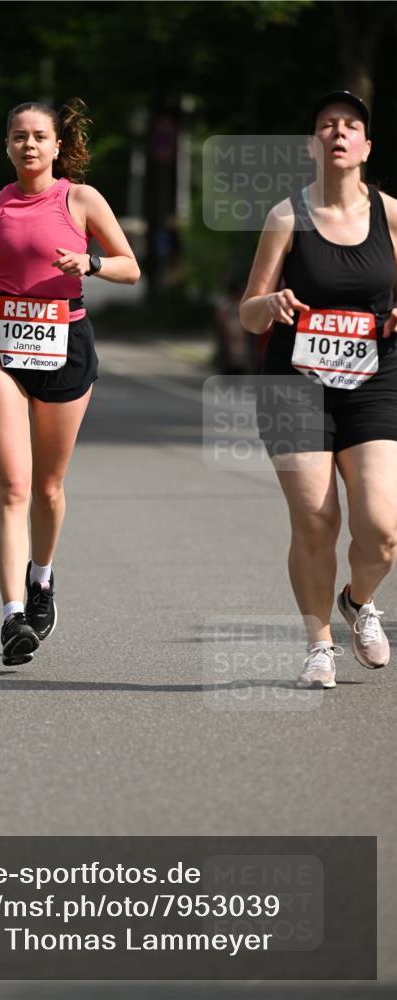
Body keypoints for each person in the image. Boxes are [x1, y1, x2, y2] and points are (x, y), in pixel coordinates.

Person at [0, 98, 140, 667]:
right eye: (18, 136)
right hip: (2, 345)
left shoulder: (80, 199)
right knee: (13, 485)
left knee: (48, 489)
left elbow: (130, 266)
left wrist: (90, 265)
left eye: (39, 136)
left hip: (66, 345)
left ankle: (42, 578)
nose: (29, 145)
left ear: (58, 145)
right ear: (7, 145)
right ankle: (13, 614)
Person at [240, 90, 397, 689]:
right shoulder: (287, 216)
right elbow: (248, 314)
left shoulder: (391, 214)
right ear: (313, 145)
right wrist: (270, 302)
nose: (338, 133)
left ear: (365, 146)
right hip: (293, 387)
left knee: (381, 528)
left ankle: (358, 600)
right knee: (315, 518)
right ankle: (319, 645)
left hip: (374, 383)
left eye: (350, 126)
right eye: (327, 125)